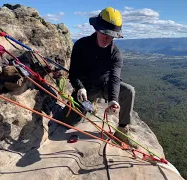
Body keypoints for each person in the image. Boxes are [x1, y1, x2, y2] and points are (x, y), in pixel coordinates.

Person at [56, 7, 136, 147]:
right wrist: (79, 87)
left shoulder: (115, 53)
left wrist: (113, 100)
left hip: (105, 85)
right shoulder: (81, 45)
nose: (107, 38)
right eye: (104, 33)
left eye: (111, 35)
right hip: (86, 89)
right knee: (67, 122)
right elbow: (74, 72)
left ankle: (122, 129)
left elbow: (114, 79)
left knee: (129, 91)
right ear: (97, 29)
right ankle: (88, 106)